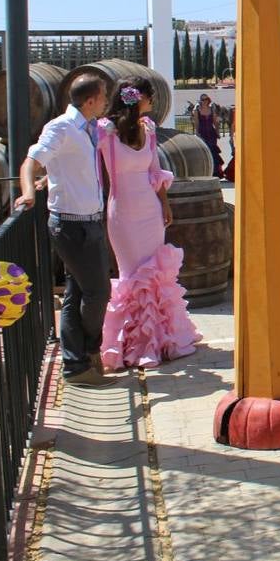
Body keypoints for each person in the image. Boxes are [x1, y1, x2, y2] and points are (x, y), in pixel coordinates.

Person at [16, 74, 115, 387]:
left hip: (87, 221)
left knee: (77, 293)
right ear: (90, 101)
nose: (105, 102)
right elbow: (31, 161)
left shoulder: (86, 128)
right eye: (103, 97)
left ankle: (77, 366)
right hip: (72, 224)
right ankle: (87, 352)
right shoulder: (62, 127)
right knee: (98, 292)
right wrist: (29, 191)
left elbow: (66, 165)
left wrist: (50, 179)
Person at [96, 78, 200, 370]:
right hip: (123, 214)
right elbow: (92, 166)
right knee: (132, 274)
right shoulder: (106, 130)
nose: (153, 100)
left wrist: (165, 203)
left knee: (156, 273)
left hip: (150, 211)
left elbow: (155, 170)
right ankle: (134, 345)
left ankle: (164, 340)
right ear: (136, 98)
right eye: (149, 95)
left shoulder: (148, 128)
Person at [194, 94, 224, 178]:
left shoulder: (212, 109)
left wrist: (217, 132)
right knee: (205, 151)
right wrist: (197, 133)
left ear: (208, 100)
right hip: (202, 133)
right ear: (200, 100)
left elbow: (215, 122)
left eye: (206, 99)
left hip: (211, 133)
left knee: (213, 150)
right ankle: (206, 170)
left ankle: (215, 171)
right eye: (202, 99)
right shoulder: (197, 110)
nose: (204, 101)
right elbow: (196, 122)